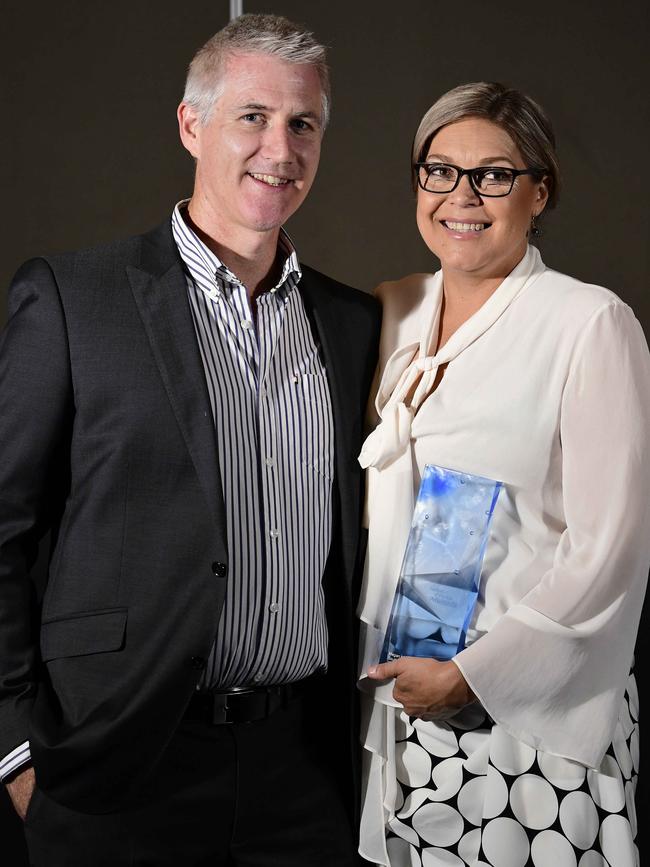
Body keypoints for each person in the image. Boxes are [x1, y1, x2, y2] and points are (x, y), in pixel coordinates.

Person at [0, 13, 380, 866]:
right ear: (191, 124)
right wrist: (16, 750)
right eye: (252, 115)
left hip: (303, 771)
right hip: (116, 764)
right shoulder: (72, 298)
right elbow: (3, 530)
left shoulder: (351, 322)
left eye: (302, 123)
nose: (279, 148)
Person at [356, 81, 650, 866]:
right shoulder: (396, 310)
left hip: (527, 715)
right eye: (439, 171)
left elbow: (609, 550)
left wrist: (471, 675)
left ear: (539, 191)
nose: (462, 195)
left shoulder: (588, 322)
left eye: (494, 174)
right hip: (402, 704)